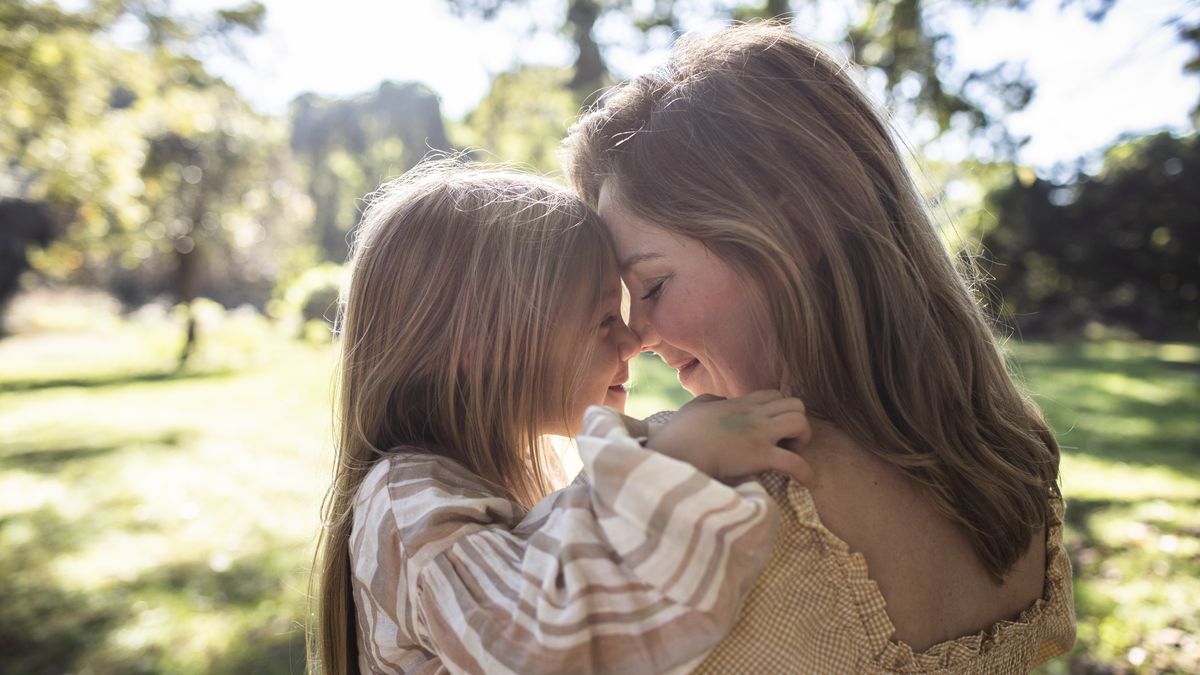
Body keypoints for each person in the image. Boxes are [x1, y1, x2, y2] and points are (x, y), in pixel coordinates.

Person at [563, 22, 1075, 673]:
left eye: (653, 284)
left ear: (797, 226)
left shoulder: (713, 498)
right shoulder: (1017, 470)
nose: (638, 337)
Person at [307, 161, 815, 674]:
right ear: (482, 346)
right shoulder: (407, 506)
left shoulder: (465, 485)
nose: (634, 340)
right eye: (603, 319)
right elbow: (537, 649)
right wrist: (675, 459)